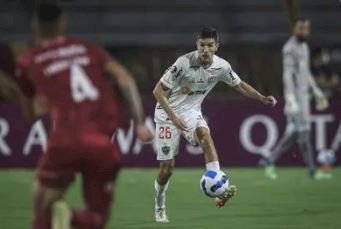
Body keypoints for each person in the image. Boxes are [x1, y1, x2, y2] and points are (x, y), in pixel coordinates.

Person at [1, 3, 153, 229]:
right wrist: (139, 123)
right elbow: (125, 79)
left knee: (42, 208)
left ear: (35, 27)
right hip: (101, 144)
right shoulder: (88, 48)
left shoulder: (28, 61)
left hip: (64, 142)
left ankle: (53, 217)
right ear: (63, 24)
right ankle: (71, 218)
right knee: (97, 218)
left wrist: (47, 104)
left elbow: (31, 114)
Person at [152, 27, 277, 223]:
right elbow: (158, 91)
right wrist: (174, 117)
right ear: (197, 45)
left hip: (191, 113)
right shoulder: (183, 63)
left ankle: (219, 186)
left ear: (216, 47)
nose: (206, 49)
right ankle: (159, 205)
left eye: (210, 45)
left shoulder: (222, 67)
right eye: (202, 45)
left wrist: (261, 98)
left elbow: (240, 85)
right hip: (166, 114)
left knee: (205, 135)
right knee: (167, 169)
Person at [262, 18, 330, 180]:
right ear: (294, 29)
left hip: (304, 98)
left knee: (293, 134)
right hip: (295, 100)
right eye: (301, 28)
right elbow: (287, 75)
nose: (304, 31)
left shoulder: (304, 47)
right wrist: (291, 98)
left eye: (306, 28)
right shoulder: (289, 48)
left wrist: (316, 91)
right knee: (304, 133)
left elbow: (305, 73)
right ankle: (313, 171)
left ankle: (269, 161)